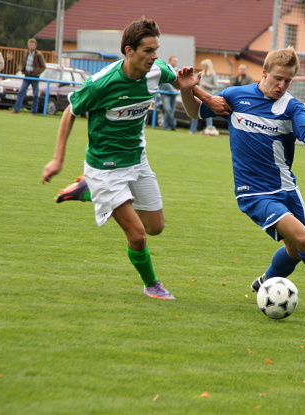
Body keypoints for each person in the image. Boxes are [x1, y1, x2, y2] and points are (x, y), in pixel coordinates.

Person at [41, 17, 228, 300]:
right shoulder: (101, 84)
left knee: (156, 228)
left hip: (137, 160)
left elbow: (180, 80)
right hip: (105, 168)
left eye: (156, 50)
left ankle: (86, 190)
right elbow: (70, 111)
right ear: (129, 51)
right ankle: (152, 285)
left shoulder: (157, 69)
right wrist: (57, 159)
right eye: (148, 51)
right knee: (138, 235)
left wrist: (205, 96)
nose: (154, 56)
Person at [179, 46, 305, 309]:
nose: (282, 85)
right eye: (278, 78)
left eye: (288, 80)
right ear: (264, 72)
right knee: (304, 240)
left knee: (295, 250)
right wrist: (187, 90)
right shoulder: (236, 96)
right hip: (254, 192)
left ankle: (264, 281)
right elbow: (194, 112)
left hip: (287, 189)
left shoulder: (291, 107)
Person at [11, 38, 46, 115]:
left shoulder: (39, 54)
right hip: (27, 75)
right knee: (21, 92)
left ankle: (34, 112)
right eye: (30, 45)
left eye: (32, 45)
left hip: (34, 77)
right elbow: (24, 62)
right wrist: (23, 70)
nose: (31, 46)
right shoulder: (26, 53)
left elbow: (43, 66)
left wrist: (37, 73)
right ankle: (16, 110)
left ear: (35, 46)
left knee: (35, 94)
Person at [189, 59, 219, 135]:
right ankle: (192, 130)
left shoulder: (213, 74)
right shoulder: (201, 74)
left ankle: (209, 129)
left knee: (208, 114)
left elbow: (216, 86)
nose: (203, 67)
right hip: (199, 95)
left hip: (207, 96)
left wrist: (206, 85)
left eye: (204, 66)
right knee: (195, 111)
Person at [159, 55, 178, 130]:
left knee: (171, 110)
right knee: (167, 109)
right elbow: (166, 82)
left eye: (176, 61)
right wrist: (172, 90)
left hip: (174, 94)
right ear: (170, 61)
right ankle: (173, 124)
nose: (175, 62)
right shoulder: (166, 69)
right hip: (165, 93)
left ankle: (166, 126)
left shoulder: (177, 71)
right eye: (174, 61)